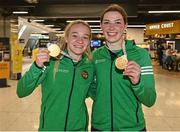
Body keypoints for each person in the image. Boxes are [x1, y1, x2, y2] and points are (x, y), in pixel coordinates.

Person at [17, 20, 94, 131]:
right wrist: (37, 66)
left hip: (79, 128)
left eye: (85, 37)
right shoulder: (51, 63)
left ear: (89, 41)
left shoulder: (90, 67)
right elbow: (21, 91)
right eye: (75, 35)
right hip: (50, 128)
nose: (80, 41)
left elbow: (95, 93)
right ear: (66, 38)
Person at [89, 4, 156, 131]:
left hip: (132, 128)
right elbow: (92, 89)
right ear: (101, 26)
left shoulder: (140, 55)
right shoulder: (95, 56)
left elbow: (150, 100)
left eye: (118, 22)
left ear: (125, 26)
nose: (111, 27)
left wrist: (137, 82)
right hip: (100, 127)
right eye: (107, 22)